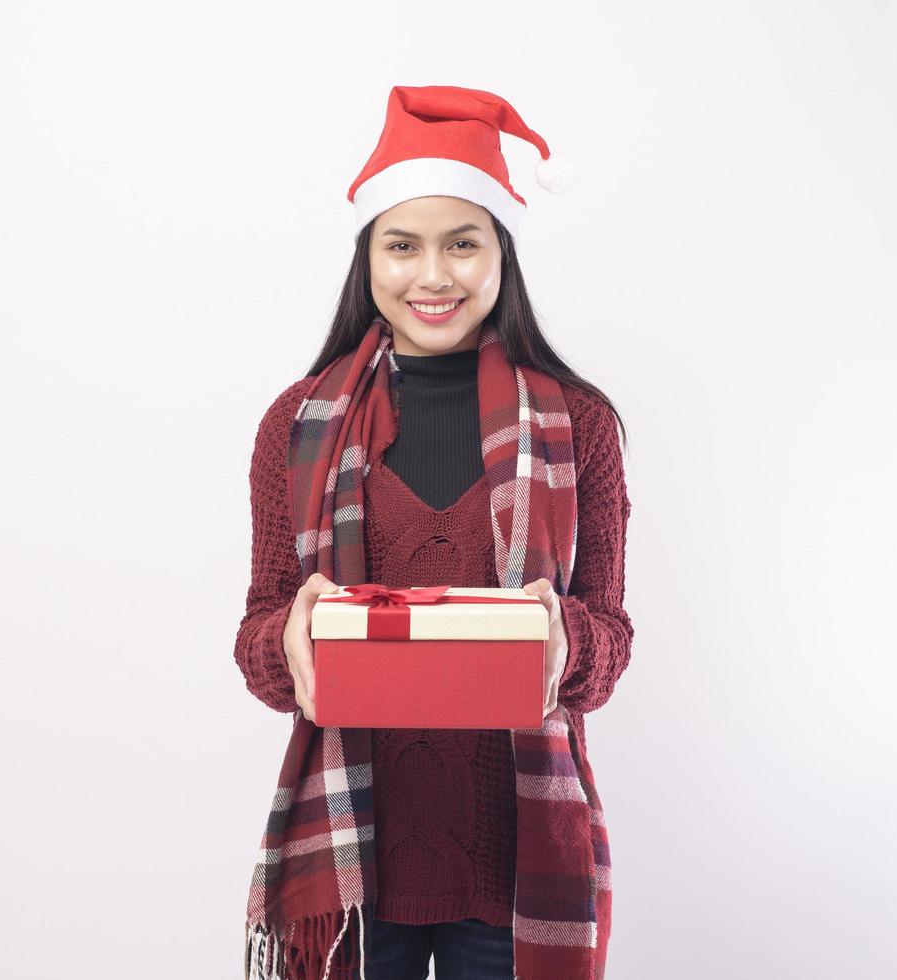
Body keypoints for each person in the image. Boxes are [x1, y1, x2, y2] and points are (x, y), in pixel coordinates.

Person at [237, 85, 634, 980]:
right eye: (403, 245)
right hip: (352, 864)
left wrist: (564, 638)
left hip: (517, 860)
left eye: (463, 242)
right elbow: (259, 631)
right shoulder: (296, 427)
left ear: (503, 252)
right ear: (367, 257)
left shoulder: (580, 424)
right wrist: (288, 638)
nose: (434, 275)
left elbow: (609, 639)